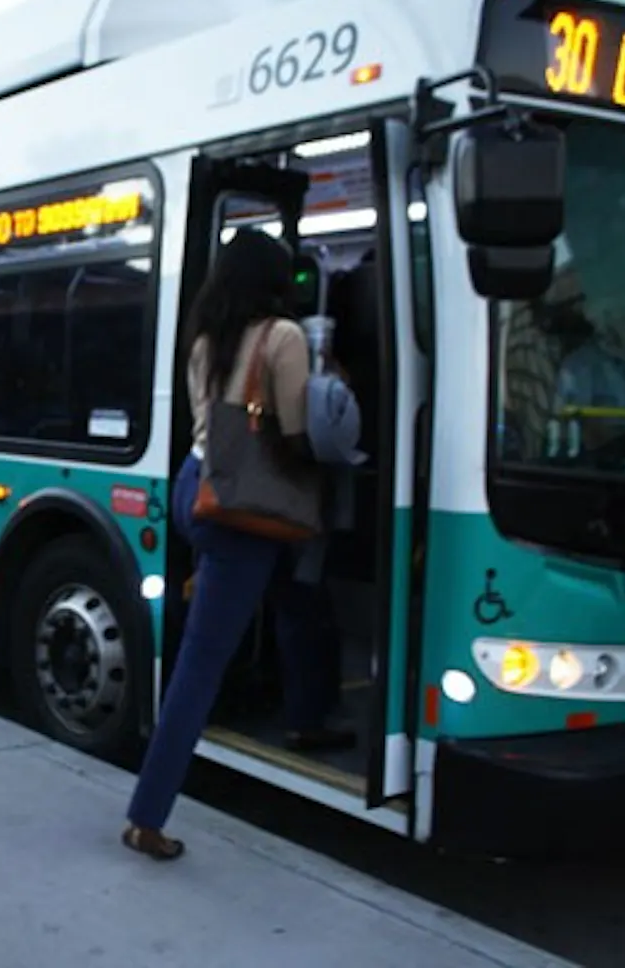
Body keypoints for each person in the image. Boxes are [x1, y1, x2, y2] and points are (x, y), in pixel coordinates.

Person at [120, 228, 351, 862]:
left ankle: (307, 712)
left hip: (196, 487)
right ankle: (146, 817)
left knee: (300, 600)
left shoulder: (205, 337)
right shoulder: (284, 336)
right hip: (245, 510)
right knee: (200, 667)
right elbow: (297, 433)